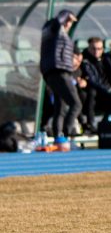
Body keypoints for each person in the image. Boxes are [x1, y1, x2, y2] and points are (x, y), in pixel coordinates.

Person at [39, 9, 82, 149]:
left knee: (60, 107)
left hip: (53, 72)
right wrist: (66, 14)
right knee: (76, 104)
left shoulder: (55, 34)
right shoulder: (54, 28)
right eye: (68, 21)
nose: (69, 24)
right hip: (59, 72)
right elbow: (58, 21)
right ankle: (68, 136)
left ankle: (59, 138)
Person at [80, 37, 111, 129]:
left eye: (99, 49)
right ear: (88, 48)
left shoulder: (105, 58)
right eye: (93, 48)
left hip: (106, 92)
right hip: (96, 93)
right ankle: (90, 123)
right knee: (92, 92)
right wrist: (110, 89)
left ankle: (104, 123)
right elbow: (92, 81)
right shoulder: (85, 61)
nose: (96, 51)